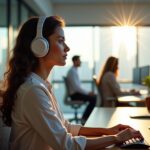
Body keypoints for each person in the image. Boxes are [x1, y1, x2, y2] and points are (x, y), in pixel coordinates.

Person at [1, 16, 143, 150]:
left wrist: (106, 131)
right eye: (60, 40)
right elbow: (67, 145)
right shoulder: (33, 89)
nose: (67, 48)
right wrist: (115, 138)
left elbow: (65, 127)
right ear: (40, 46)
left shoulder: (41, 85)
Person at [66, 55, 96, 124]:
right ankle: (84, 118)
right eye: (79, 60)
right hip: (75, 95)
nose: (80, 62)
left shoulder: (74, 71)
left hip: (76, 93)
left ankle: (85, 117)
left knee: (94, 97)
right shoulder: (72, 72)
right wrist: (88, 93)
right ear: (75, 61)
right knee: (93, 98)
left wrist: (88, 92)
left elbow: (78, 87)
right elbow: (77, 88)